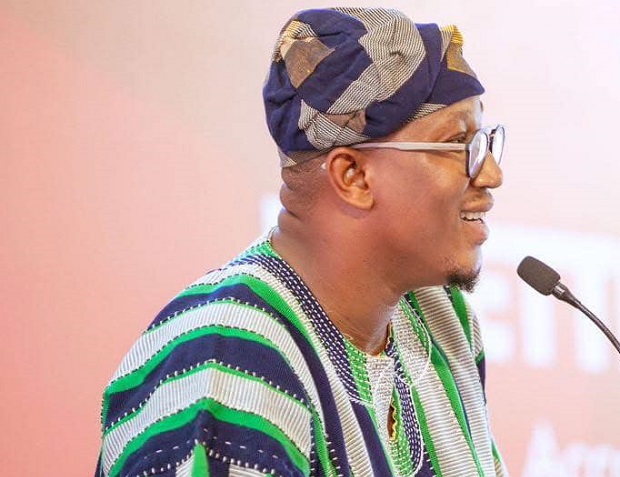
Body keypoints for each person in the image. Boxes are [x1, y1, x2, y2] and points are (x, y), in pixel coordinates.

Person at [96, 7, 507, 477]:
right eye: (458, 144)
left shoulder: (441, 321)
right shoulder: (232, 355)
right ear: (353, 176)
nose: (491, 174)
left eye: (484, 142)